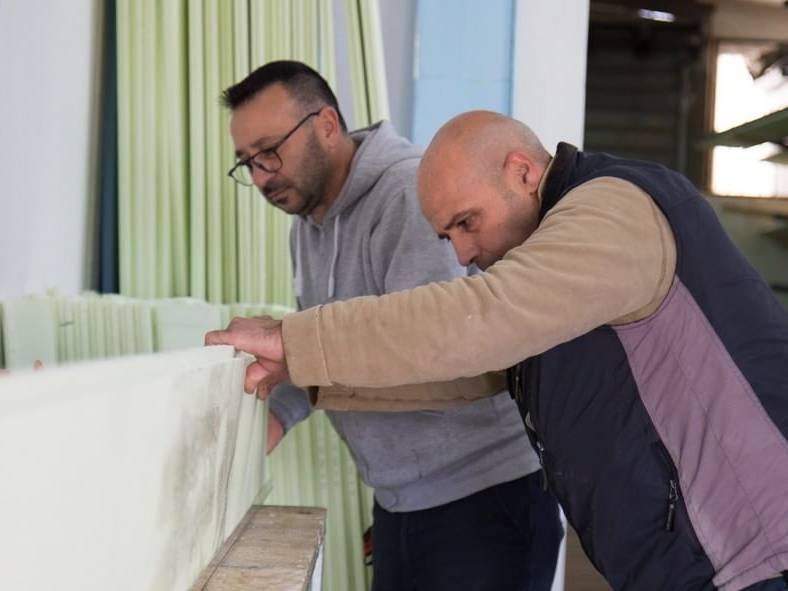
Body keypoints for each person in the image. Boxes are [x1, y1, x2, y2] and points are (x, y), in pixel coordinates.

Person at [207, 110, 788, 591]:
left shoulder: (613, 209)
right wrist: (307, 376)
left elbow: (481, 320)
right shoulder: (552, 274)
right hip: (688, 561)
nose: (460, 254)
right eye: (447, 235)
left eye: (466, 222)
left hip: (752, 554)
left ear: (522, 172)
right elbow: (476, 369)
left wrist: (294, 337)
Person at [221, 63, 562, 591]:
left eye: (270, 151)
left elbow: (428, 358)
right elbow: (317, 352)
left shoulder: (406, 195)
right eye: (247, 162)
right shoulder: (308, 229)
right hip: (402, 500)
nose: (262, 175)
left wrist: (297, 361)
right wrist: (275, 414)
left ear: (327, 125)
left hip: (481, 498)